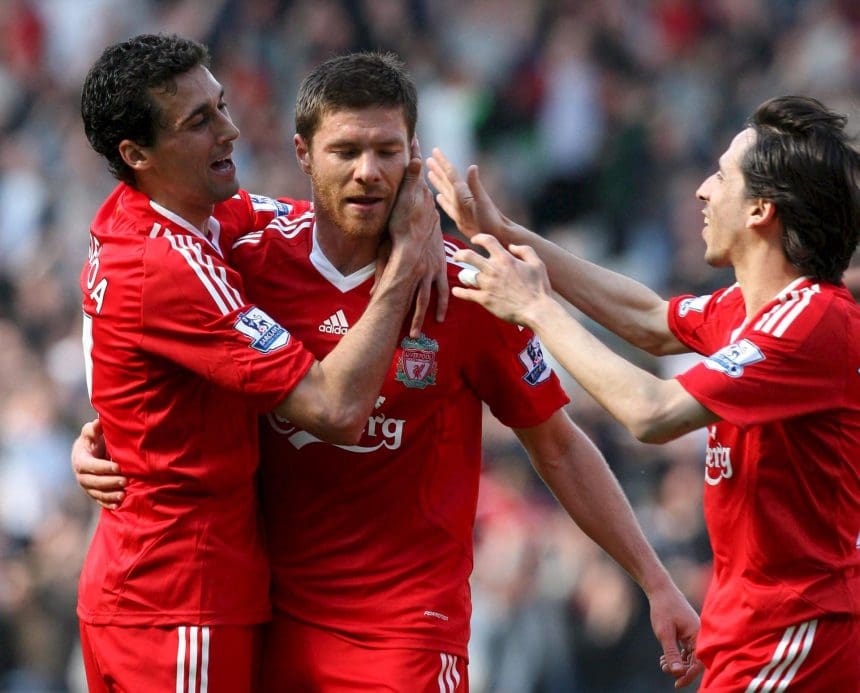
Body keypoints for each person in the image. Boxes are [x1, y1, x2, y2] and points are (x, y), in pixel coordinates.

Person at [74, 51, 703, 691]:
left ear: (414, 155)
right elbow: (156, 334)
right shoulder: (245, 258)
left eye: (387, 150)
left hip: (404, 635)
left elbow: (560, 446)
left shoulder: (470, 288)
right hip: (268, 624)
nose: (368, 173)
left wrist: (655, 580)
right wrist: (106, 432)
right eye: (345, 151)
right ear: (303, 154)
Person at [429, 95, 860, 690]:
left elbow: (652, 413)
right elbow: (648, 318)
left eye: (721, 176)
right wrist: (503, 231)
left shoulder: (809, 322)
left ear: (761, 209)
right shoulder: (755, 309)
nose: (703, 192)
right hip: (751, 627)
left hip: (799, 631)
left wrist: (535, 307)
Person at [77, 34, 442, 693]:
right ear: (137, 154)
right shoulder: (168, 264)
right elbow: (334, 408)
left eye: (219, 105)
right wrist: (406, 266)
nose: (231, 129)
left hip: (144, 587)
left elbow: (316, 218)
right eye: (200, 122)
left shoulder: (174, 218)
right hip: (180, 597)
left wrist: (419, 224)